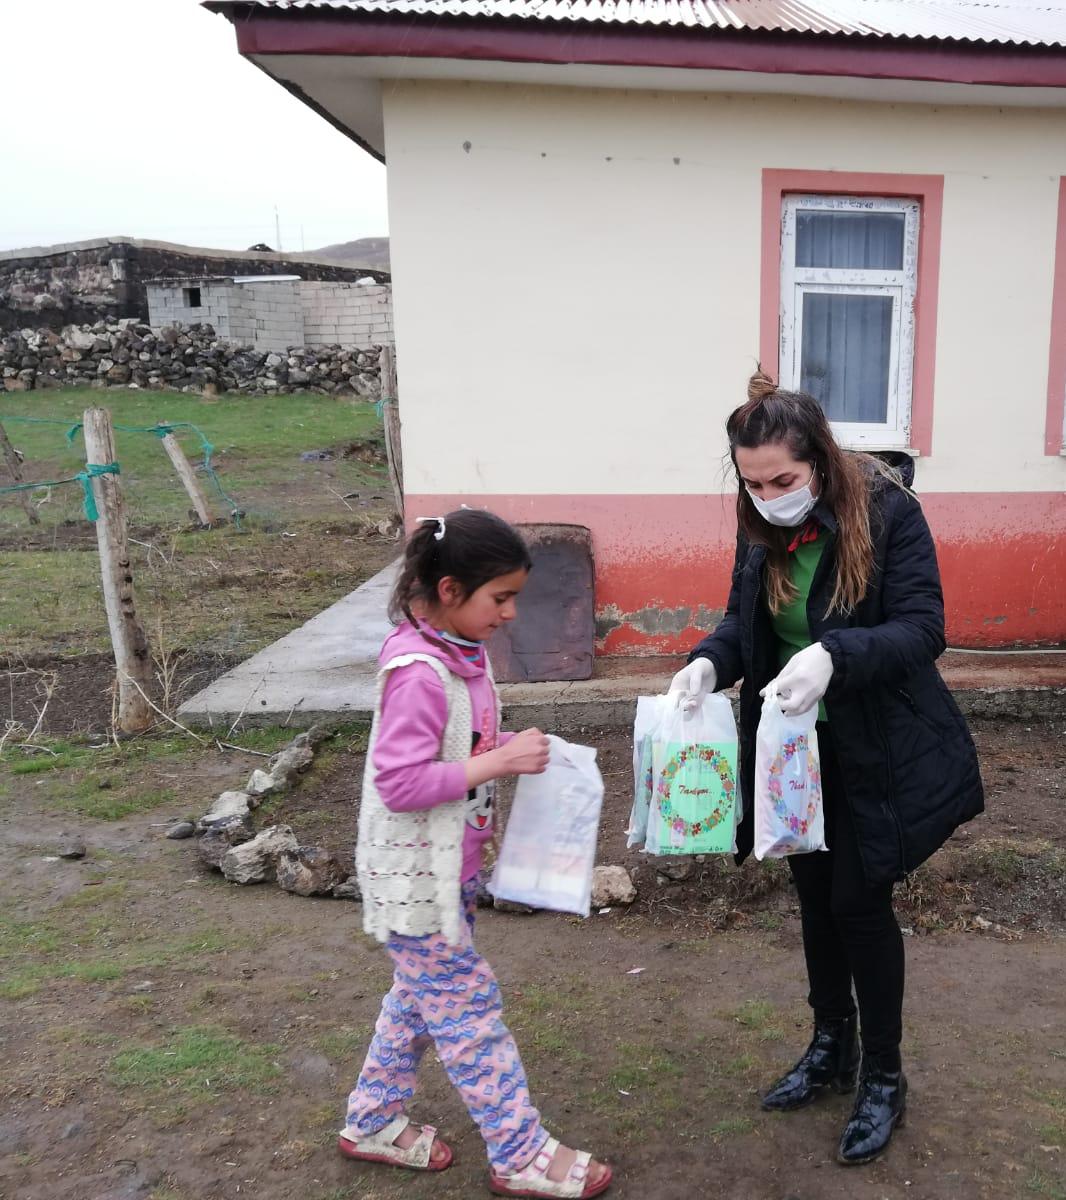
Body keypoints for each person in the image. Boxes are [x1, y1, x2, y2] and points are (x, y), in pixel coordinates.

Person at [669, 370, 983, 1166]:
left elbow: (923, 628)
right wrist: (709, 662)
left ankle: (883, 1073)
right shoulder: (761, 526)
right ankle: (829, 1047)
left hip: (875, 750)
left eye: (783, 479)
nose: (769, 494)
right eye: (753, 482)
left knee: (858, 903)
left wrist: (836, 656)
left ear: (821, 460)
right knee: (813, 898)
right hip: (791, 756)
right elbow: (745, 625)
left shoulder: (887, 513)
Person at [340, 507, 612, 1199]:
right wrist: (495, 764)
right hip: (416, 880)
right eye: (501, 597)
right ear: (452, 590)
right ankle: (519, 1151)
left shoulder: (457, 657)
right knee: (466, 1012)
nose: (512, 613)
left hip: (446, 872)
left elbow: (448, 752)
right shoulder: (420, 673)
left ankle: (371, 1120)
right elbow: (400, 783)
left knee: (418, 999)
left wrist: (496, 752)